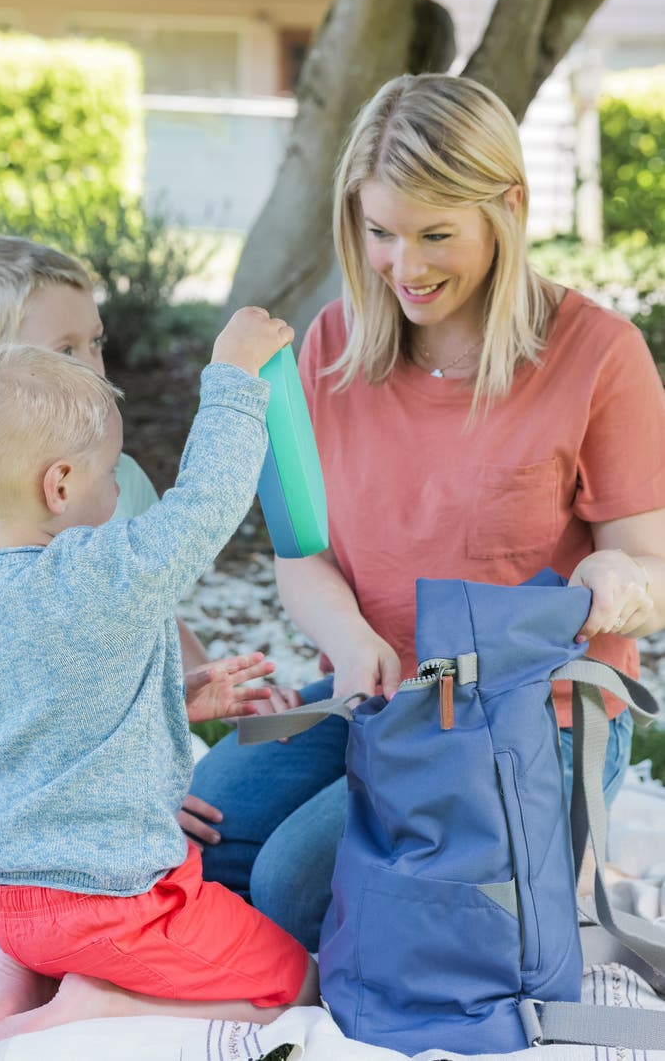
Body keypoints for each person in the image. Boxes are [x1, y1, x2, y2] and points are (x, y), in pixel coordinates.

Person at [191, 71, 665, 953]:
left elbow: (655, 571)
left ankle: (533, 874)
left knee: (293, 887)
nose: (403, 267)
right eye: (380, 233)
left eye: (436, 234)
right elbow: (304, 555)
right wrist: (349, 639)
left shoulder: (598, 355)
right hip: (379, 698)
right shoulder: (333, 343)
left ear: (508, 207)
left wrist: (618, 582)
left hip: (533, 723)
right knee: (200, 831)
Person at [0, 235, 293, 942]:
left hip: (99, 748)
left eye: (95, 344)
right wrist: (106, 805)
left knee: (201, 865)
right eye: (64, 352)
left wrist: (215, 694)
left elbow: (146, 610)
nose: (94, 369)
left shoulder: (116, 483)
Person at [0, 311, 318, 1045]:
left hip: (13, 905)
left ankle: (19, 971)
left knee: (56, 930)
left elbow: (44, 727)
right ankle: (110, 1001)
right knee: (297, 981)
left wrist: (169, 699)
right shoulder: (100, 572)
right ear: (61, 485)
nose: (118, 491)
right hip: (113, 907)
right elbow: (205, 507)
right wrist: (234, 378)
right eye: (111, 474)